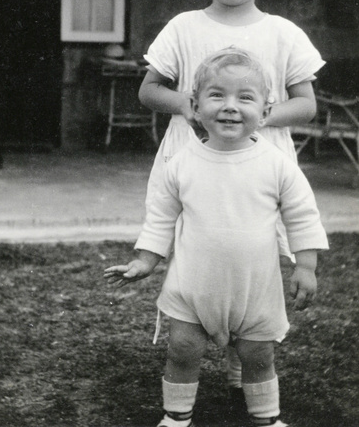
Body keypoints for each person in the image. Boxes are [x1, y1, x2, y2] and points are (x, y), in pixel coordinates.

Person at [137, 0, 325, 396]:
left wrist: (261, 116)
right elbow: (149, 89)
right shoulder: (184, 27)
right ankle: (189, 348)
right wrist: (191, 107)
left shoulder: (282, 33)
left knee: (254, 253)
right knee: (200, 251)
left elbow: (306, 104)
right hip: (194, 157)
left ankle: (249, 356)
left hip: (260, 163)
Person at [105, 49, 329, 427]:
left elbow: (302, 216)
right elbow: (161, 218)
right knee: (183, 350)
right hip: (193, 286)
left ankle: (265, 418)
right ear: (194, 105)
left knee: (258, 356)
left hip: (254, 288)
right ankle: (176, 416)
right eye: (216, 95)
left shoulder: (277, 166)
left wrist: (305, 264)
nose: (230, 107)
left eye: (245, 98)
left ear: (266, 109)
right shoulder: (181, 165)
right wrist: (145, 260)